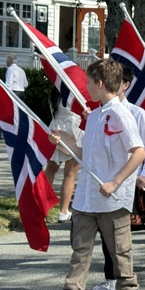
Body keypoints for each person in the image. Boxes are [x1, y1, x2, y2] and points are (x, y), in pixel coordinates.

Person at [35, 59, 145, 290]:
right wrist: (66, 142)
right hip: (85, 199)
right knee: (80, 252)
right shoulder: (95, 115)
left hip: (113, 200)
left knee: (120, 253)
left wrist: (116, 182)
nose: (84, 87)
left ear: (99, 83)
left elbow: (139, 152)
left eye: (87, 82)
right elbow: (87, 155)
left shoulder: (122, 114)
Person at [87, 65, 145, 290]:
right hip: (101, 186)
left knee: (118, 239)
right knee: (102, 234)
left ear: (124, 85)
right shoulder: (99, 113)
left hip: (124, 186)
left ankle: (123, 288)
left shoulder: (135, 113)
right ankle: (110, 280)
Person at [43, 87, 84, 222]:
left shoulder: (54, 93)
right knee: (70, 173)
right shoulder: (75, 92)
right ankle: (63, 211)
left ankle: (42, 207)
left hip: (55, 128)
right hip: (73, 129)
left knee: (51, 169)